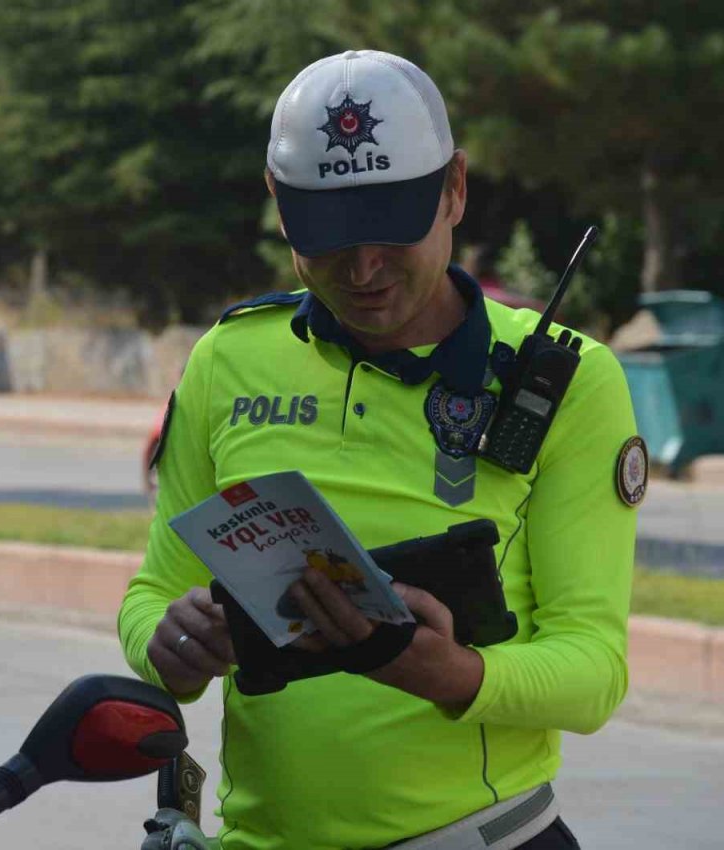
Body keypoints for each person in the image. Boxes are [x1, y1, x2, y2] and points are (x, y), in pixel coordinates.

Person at [118, 50, 643, 849]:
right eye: (329, 236)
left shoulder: (566, 379)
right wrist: (169, 644)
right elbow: (156, 589)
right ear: (278, 202)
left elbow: (594, 671)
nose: (363, 268)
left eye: (392, 229)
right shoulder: (229, 358)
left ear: (455, 189)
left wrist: (451, 675)